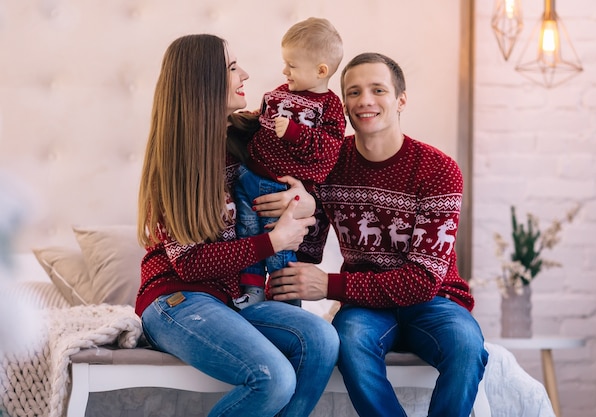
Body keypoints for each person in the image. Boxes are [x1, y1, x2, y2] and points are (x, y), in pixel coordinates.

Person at [268, 52, 489, 417]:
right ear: (343, 105)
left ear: (400, 99)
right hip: (365, 308)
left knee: (466, 345)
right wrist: (294, 208)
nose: (365, 101)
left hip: (433, 300)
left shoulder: (438, 170)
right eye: (353, 92)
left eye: (378, 90)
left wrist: (330, 286)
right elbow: (305, 250)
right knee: (350, 342)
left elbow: (421, 281)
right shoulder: (329, 163)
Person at [135, 34, 339, 417]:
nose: (245, 74)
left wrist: (306, 200)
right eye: (231, 68)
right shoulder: (174, 163)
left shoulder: (252, 137)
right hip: (178, 299)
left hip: (236, 301)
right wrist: (272, 242)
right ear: (205, 81)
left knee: (322, 339)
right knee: (272, 378)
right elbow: (190, 264)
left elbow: (318, 176)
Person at [233, 17, 345, 309]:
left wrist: (296, 133)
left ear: (321, 70)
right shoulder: (282, 92)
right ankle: (252, 290)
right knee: (247, 232)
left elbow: (329, 149)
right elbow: (260, 120)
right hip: (249, 176)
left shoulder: (329, 106)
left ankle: (287, 302)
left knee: (278, 245)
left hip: (279, 188)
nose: (285, 71)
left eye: (292, 65)